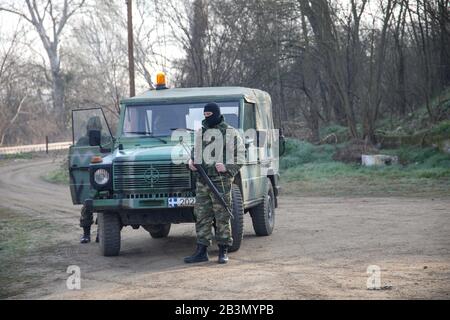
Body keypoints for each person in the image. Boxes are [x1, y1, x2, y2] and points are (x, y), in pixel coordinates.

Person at [184, 102, 245, 264]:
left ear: (216, 114)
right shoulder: (200, 132)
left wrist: (226, 167)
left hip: (221, 182)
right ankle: (201, 250)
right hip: (202, 180)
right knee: (202, 216)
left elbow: (240, 157)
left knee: (222, 216)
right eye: (204, 116)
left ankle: (223, 250)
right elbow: (194, 153)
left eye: (209, 115)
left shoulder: (230, 133)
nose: (207, 118)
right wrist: (191, 162)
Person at [77, 116, 106, 243]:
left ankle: (101, 233)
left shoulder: (106, 139)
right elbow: (76, 158)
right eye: (92, 127)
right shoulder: (83, 141)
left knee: (104, 207)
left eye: (96, 127)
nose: (94, 130)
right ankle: (86, 234)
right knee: (87, 205)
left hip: (103, 176)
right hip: (86, 175)